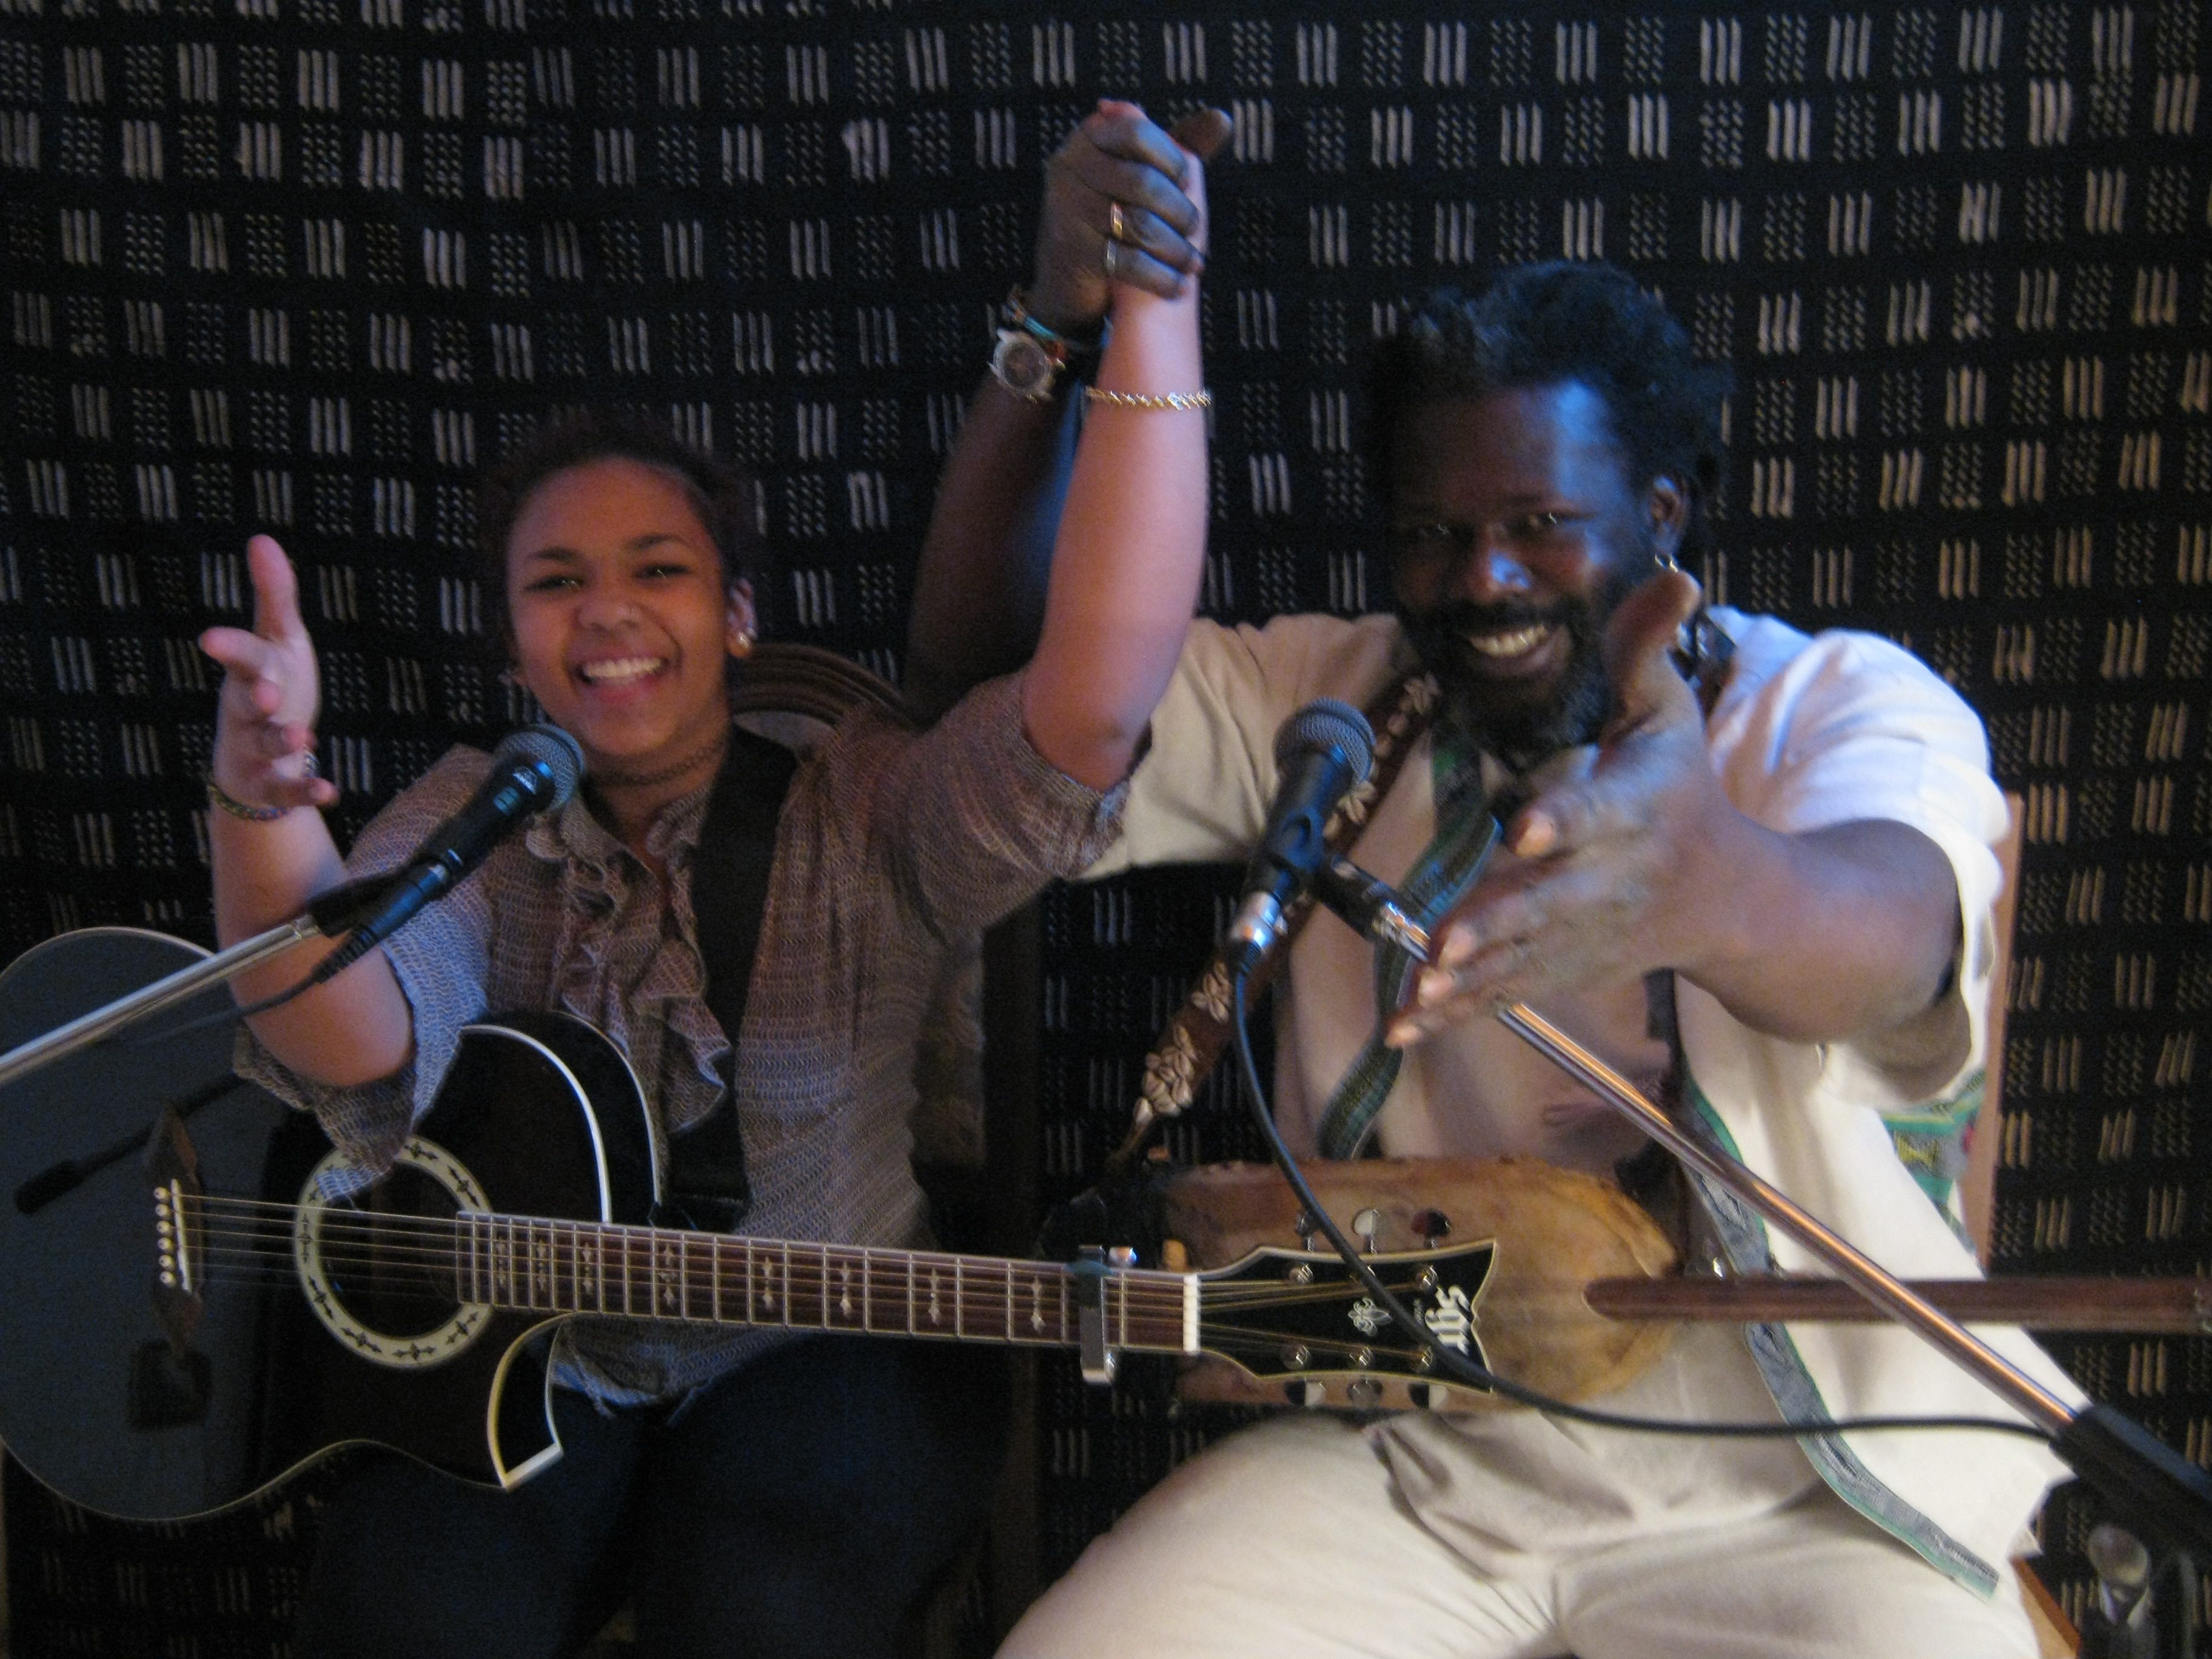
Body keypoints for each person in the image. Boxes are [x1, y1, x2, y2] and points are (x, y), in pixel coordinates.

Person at [910, 146, 2082, 1659]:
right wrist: (1050, 337)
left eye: (1540, 521)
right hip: (1413, 1455)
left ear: (1661, 511)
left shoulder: (1836, 702)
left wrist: (1707, 889)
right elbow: (995, 702)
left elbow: (1898, 937)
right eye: (1435, 533)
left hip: (1804, 1492)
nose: (1485, 580)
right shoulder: (1329, 704)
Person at [196, 124, 1209, 1659]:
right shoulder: (480, 813)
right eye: (556, 583)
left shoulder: (862, 800)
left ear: (735, 614)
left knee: (757, 1614)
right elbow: (350, 1034)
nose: (607, 610)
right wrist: (262, 807)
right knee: (405, 1609)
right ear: (515, 648)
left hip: (838, 1340)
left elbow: (1092, 703)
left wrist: (1153, 300)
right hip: (543, 1352)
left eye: (657, 569)